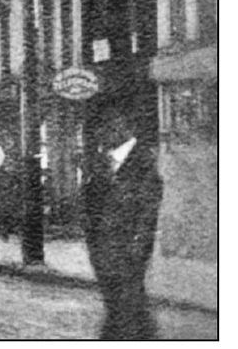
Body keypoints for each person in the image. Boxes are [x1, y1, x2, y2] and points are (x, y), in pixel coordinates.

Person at [83, 108, 162, 341]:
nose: (99, 134)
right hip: (103, 251)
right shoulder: (102, 162)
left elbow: (148, 212)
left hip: (127, 252)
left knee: (125, 310)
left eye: (103, 127)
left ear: (121, 125)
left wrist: (136, 248)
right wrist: (93, 244)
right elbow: (90, 205)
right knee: (120, 308)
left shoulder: (144, 162)